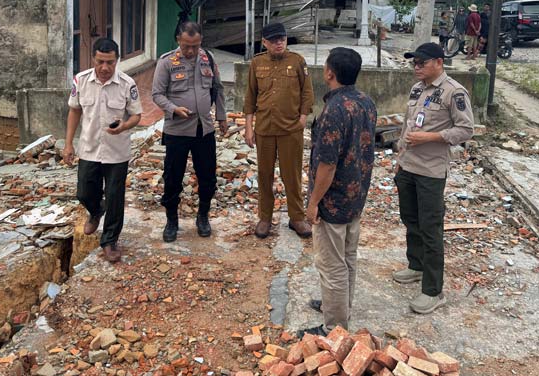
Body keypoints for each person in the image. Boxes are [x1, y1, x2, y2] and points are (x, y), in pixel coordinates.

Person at [302, 48, 378, 334]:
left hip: (333, 201)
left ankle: (334, 328)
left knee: (331, 264)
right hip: (356, 195)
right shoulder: (366, 102)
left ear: (330, 72)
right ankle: (339, 306)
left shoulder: (334, 110)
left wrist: (313, 203)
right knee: (348, 257)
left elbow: (327, 165)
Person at [394, 42, 474, 314]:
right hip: (408, 166)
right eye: (414, 63)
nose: (416, 67)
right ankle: (416, 266)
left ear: (438, 62)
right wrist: (400, 158)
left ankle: (433, 289)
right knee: (410, 219)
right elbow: (408, 124)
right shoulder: (418, 88)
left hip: (430, 171)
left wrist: (431, 137)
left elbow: (465, 129)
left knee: (431, 228)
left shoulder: (454, 92)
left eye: (421, 63)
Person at [63, 38, 143, 263]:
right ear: (93, 59)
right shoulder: (81, 81)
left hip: (117, 151)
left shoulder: (127, 84)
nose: (105, 68)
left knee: (115, 196)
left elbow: (137, 115)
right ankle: (96, 210)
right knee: (84, 191)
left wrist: (124, 126)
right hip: (89, 148)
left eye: (110, 62)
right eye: (100, 62)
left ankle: (109, 241)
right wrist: (68, 144)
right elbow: (74, 112)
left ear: (117, 61)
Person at [152, 21, 228, 242]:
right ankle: (171, 220)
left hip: (204, 130)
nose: (190, 51)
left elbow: (218, 88)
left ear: (200, 41)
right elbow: (157, 94)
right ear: (179, 40)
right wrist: (173, 108)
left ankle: (203, 216)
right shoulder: (166, 62)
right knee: (173, 177)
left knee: (207, 177)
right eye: (186, 46)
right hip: (177, 130)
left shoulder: (208, 59)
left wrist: (222, 116)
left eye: (195, 46)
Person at [243, 22, 314, 239]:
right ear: (264, 42)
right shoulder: (257, 63)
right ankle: (265, 218)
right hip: (264, 128)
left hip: (290, 129)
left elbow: (307, 92)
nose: (279, 43)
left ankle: (297, 217)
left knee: (291, 175)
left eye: (281, 39)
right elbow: (250, 97)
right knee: (264, 175)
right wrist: (249, 127)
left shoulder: (297, 61)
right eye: (273, 40)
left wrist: (302, 119)